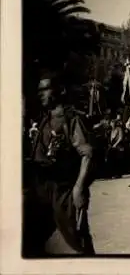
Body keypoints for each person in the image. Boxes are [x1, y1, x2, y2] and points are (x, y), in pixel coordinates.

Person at [23, 73, 95, 256]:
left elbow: (87, 154)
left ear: (59, 90)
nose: (40, 93)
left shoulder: (71, 119)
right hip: (40, 189)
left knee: (78, 242)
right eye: (39, 90)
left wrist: (79, 189)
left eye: (45, 89)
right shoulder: (44, 119)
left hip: (63, 190)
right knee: (29, 241)